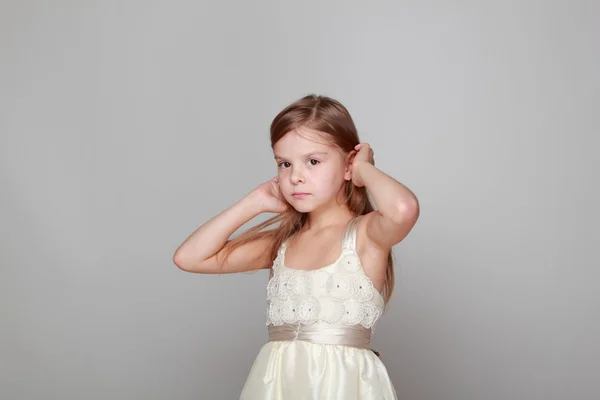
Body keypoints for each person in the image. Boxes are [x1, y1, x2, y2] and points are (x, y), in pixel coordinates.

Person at [173, 94, 420, 399]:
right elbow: (190, 257)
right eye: (284, 163)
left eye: (313, 161)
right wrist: (254, 202)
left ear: (347, 165)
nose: (295, 177)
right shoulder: (283, 244)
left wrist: (363, 170)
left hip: (341, 388)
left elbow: (403, 209)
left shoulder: (366, 235)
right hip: (279, 386)